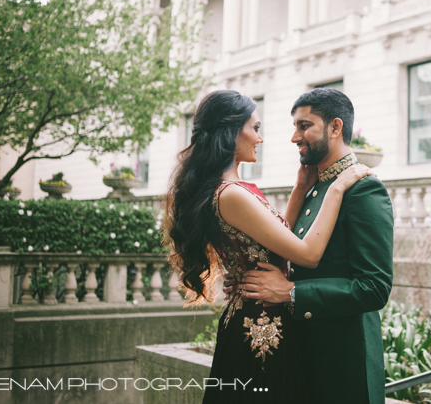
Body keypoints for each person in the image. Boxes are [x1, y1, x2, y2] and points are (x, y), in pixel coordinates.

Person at [162, 89, 372, 404]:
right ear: (231, 132)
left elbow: (275, 240)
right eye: (255, 128)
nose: (260, 138)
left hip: (256, 315)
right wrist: (338, 187)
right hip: (261, 326)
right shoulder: (231, 193)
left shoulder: (230, 190)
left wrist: (300, 189)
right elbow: (307, 254)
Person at [238, 88, 394, 404]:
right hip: (306, 355)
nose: (295, 137)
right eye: (295, 127)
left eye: (304, 126)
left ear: (335, 128)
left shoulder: (363, 191)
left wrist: (290, 292)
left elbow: (375, 288)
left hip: (343, 365)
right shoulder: (315, 187)